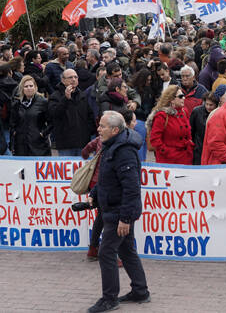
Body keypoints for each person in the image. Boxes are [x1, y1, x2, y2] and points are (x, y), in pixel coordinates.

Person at [87, 111, 149, 313]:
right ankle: (140, 291)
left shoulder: (124, 151)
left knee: (106, 253)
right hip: (113, 208)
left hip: (119, 211)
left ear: (115, 130)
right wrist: (95, 193)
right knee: (127, 249)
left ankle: (109, 298)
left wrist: (125, 218)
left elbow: (132, 188)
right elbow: (106, 176)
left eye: (102, 126)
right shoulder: (112, 145)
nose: (98, 129)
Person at [48, 69, 96, 157]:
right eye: (70, 77)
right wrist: (65, 99)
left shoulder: (82, 95)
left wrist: (88, 131)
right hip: (65, 144)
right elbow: (54, 114)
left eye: (75, 77)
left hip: (82, 142)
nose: (73, 79)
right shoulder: (55, 96)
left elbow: (90, 115)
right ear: (63, 80)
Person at [147, 85, 193, 165]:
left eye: (183, 96)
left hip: (186, 158)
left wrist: (191, 145)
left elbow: (188, 134)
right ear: (172, 99)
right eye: (180, 96)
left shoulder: (184, 112)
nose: (184, 98)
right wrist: (168, 152)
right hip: (169, 161)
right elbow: (155, 140)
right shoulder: (162, 116)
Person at [9, 75, 51, 156]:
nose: (29, 88)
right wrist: (15, 134)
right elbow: (12, 124)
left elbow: (51, 122)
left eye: (31, 86)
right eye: (26, 86)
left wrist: (43, 134)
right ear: (22, 89)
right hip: (21, 145)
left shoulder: (43, 102)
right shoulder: (17, 104)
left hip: (39, 145)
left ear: (35, 87)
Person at [190, 93, 218, 164]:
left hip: (212, 150)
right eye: (207, 104)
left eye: (211, 105)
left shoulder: (218, 113)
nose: (208, 107)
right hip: (199, 149)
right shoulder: (197, 111)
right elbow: (191, 130)